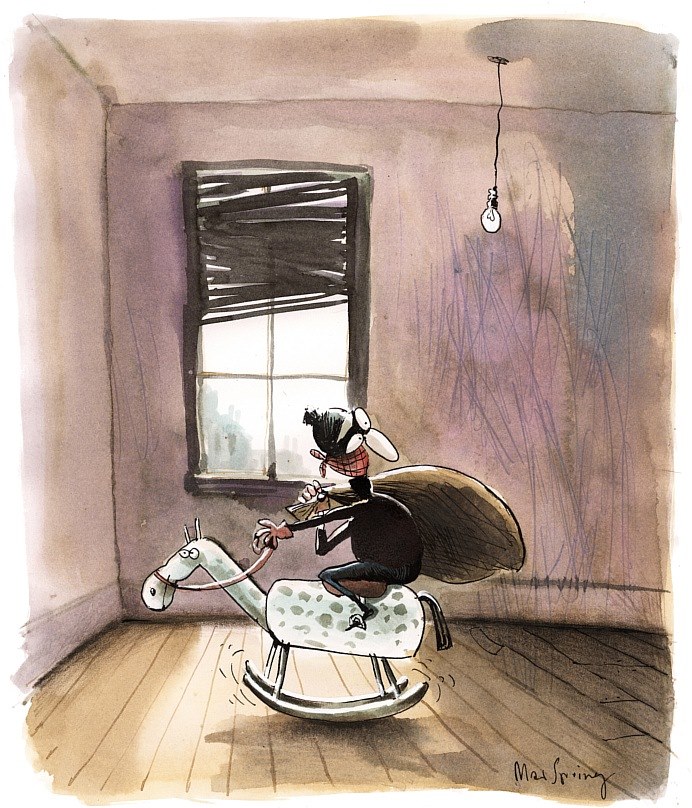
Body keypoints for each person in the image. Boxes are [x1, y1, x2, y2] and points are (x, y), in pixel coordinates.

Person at [254, 407, 422, 630]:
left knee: (328, 576)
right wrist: (321, 514)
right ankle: (364, 607)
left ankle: (366, 610)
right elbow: (323, 548)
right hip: (392, 567)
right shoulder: (360, 518)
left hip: (398, 569)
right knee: (338, 575)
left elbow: (336, 514)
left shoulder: (368, 506)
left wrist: (290, 529)